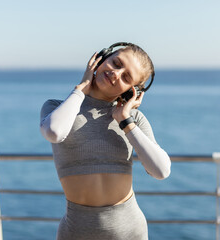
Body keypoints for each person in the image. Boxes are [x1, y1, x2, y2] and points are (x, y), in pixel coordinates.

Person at [40, 42, 171, 240]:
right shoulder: (57, 107)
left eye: (126, 77)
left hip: (131, 231)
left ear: (132, 91)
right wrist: (81, 89)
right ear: (101, 59)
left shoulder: (134, 119)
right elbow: (54, 132)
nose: (116, 73)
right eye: (116, 63)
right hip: (76, 231)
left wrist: (125, 121)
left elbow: (161, 171)